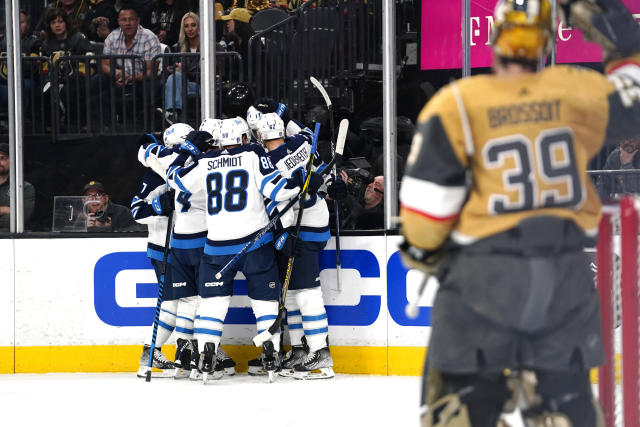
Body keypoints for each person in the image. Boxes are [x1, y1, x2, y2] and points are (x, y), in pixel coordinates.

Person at [398, 0, 640, 425]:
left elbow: (425, 213)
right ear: (548, 39)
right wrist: (621, 32)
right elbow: (634, 95)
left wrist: (426, 254)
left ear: (493, 36)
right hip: (563, 276)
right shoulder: (575, 90)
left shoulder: (459, 102)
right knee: (568, 404)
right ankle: (559, 403)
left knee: (459, 406)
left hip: (481, 280)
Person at [166, 119, 323, 381]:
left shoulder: (204, 161)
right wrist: (302, 180)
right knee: (265, 303)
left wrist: (188, 150)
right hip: (255, 245)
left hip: (216, 249)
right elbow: (278, 190)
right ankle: (270, 354)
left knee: (212, 305)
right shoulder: (252, 153)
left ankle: (206, 355)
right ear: (242, 138)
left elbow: (174, 179)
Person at [138, 121, 236, 380]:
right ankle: (159, 350)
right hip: (164, 248)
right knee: (183, 300)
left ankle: (193, 348)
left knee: (191, 299)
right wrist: (159, 206)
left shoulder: (195, 167)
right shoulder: (156, 173)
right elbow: (137, 211)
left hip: (185, 245)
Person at [256, 112, 335, 379]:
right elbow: (316, 163)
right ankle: (302, 350)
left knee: (307, 293)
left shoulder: (268, 162)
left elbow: (279, 201)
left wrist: (282, 232)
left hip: (302, 230)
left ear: (258, 136)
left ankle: (321, 356)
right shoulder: (301, 142)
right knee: (291, 294)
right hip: (315, 223)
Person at [91, 3, 161, 125]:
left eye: (131, 19)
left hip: (142, 79)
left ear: (138, 20)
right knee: (97, 81)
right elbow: (104, 65)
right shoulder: (112, 37)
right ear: (118, 22)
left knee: (151, 85)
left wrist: (131, 77)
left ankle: (147, 124)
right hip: (120, 77)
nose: (127, 23)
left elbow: (152, 71)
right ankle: (106, 125)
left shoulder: (150, 38)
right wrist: (116, 73)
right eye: (124, 20)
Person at [157, 11, 200, 125]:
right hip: (183, 85)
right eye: (186, 26)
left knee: (176, 79)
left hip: (202, 86)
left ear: (199, 26)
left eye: (193, 25)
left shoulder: (209, 46)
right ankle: (174, 115)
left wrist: (184, 71)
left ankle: (171, 114)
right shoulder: (179, 47)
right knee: (174, 77)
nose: (190, 29)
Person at [0, 143, 35, 231]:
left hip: (11, 240)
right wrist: (5, 209)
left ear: (12, 160)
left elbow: (18, 219)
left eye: (2, 158)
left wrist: (11, 212)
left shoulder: (24, 188)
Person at [220, 8, 254, 77]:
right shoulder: (233, 41)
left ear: (238, 22)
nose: (227, 23)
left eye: (229, 20)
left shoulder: (252, 42)